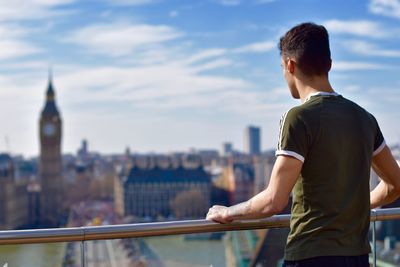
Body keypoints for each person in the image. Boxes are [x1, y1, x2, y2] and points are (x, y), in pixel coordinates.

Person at [206, 22, 400, 267]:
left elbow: (274, 201)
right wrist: (355, 204)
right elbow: (395, 184)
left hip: (311, 256)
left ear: (290, 65)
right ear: (329, 65)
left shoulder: (298, 118)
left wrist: (228, 212)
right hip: (359, 257)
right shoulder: (365, 118)